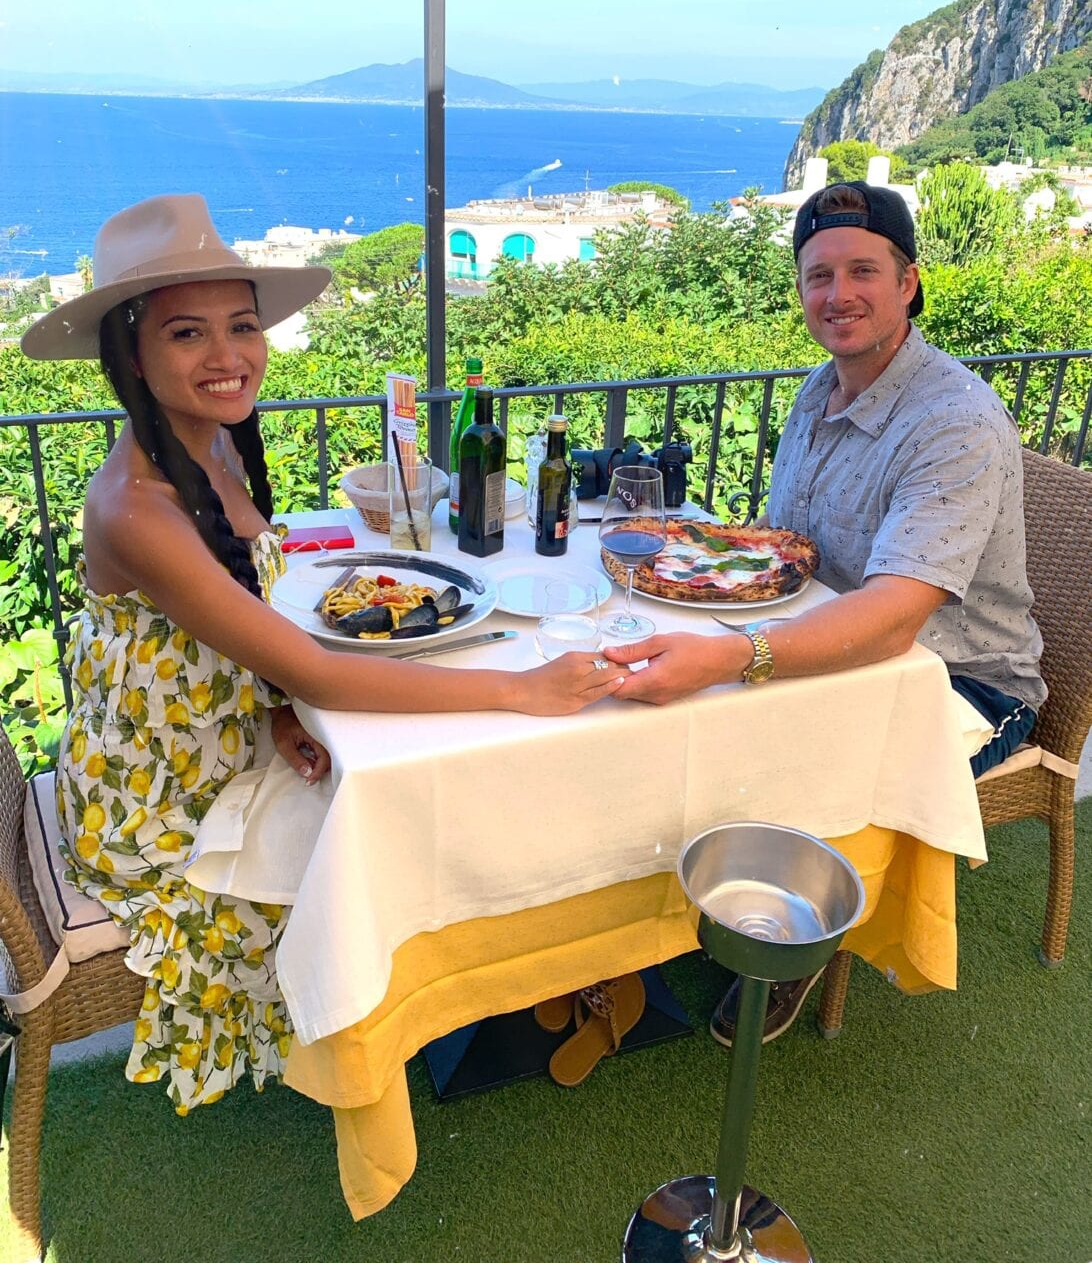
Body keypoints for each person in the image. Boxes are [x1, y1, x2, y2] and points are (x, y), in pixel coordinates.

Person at [22, 193, 625, 1115]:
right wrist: (523, 688)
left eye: (242, 326)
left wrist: (269, 711)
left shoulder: (208, 444)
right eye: (188, 334)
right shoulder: (136, 507)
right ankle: (436, 1010)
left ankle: (522, 980)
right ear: (130, 356)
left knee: (400, 790)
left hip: (212, 737)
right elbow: (312, 666)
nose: (227, 357)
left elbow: (226, 630)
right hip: (160, 800)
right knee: (395, 829)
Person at [602, 180, 1046, 1044]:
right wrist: (694, 565)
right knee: (681, 712)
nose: (838, 295)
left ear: (908, 281)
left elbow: (890, 621)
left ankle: (799, 941)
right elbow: (787, 545)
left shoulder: (955, 422)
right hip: (839, 643)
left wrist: (737, 654)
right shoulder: (820, 388)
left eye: (862, 271)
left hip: (961, 684)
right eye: (818, 276)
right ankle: (646, 911)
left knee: (765, 737)